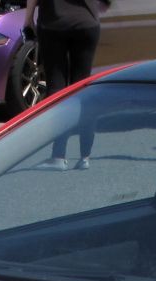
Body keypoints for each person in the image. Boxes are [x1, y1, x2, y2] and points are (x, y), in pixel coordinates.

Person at [25, 0, 104, 168]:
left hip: (53, 22)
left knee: (57, 88)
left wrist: (28, 17)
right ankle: (85, 156)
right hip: (86, 22)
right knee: (84, 89)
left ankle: (58, 155)